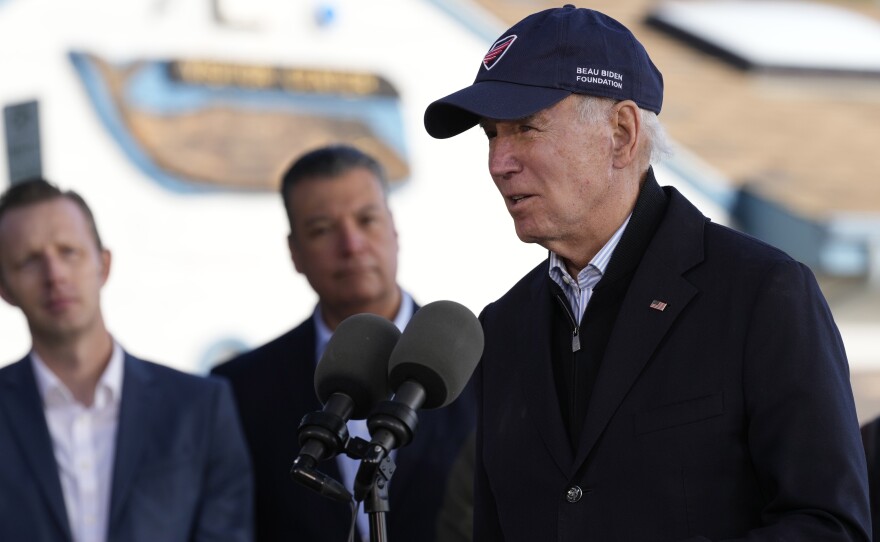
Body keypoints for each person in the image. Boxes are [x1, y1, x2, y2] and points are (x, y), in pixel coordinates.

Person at [423, 5, 870, 541]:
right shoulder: (501, 329)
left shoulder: (762, 295)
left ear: (621, 132)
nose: (499, 162)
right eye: (492, 135)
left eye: (526, 127)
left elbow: (829, 525)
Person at [211, 144, 476, 542]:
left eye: (367, 220)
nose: (351, 245)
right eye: (322, 230)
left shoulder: (483, 366)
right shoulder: (239, 388)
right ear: (294, 252)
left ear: (394, 228)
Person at [0, 178, 253, 542]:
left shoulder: (200, 408)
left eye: (69, 251)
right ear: (5, 288)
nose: (55, 275)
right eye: (29, 261)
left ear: (103, 265)